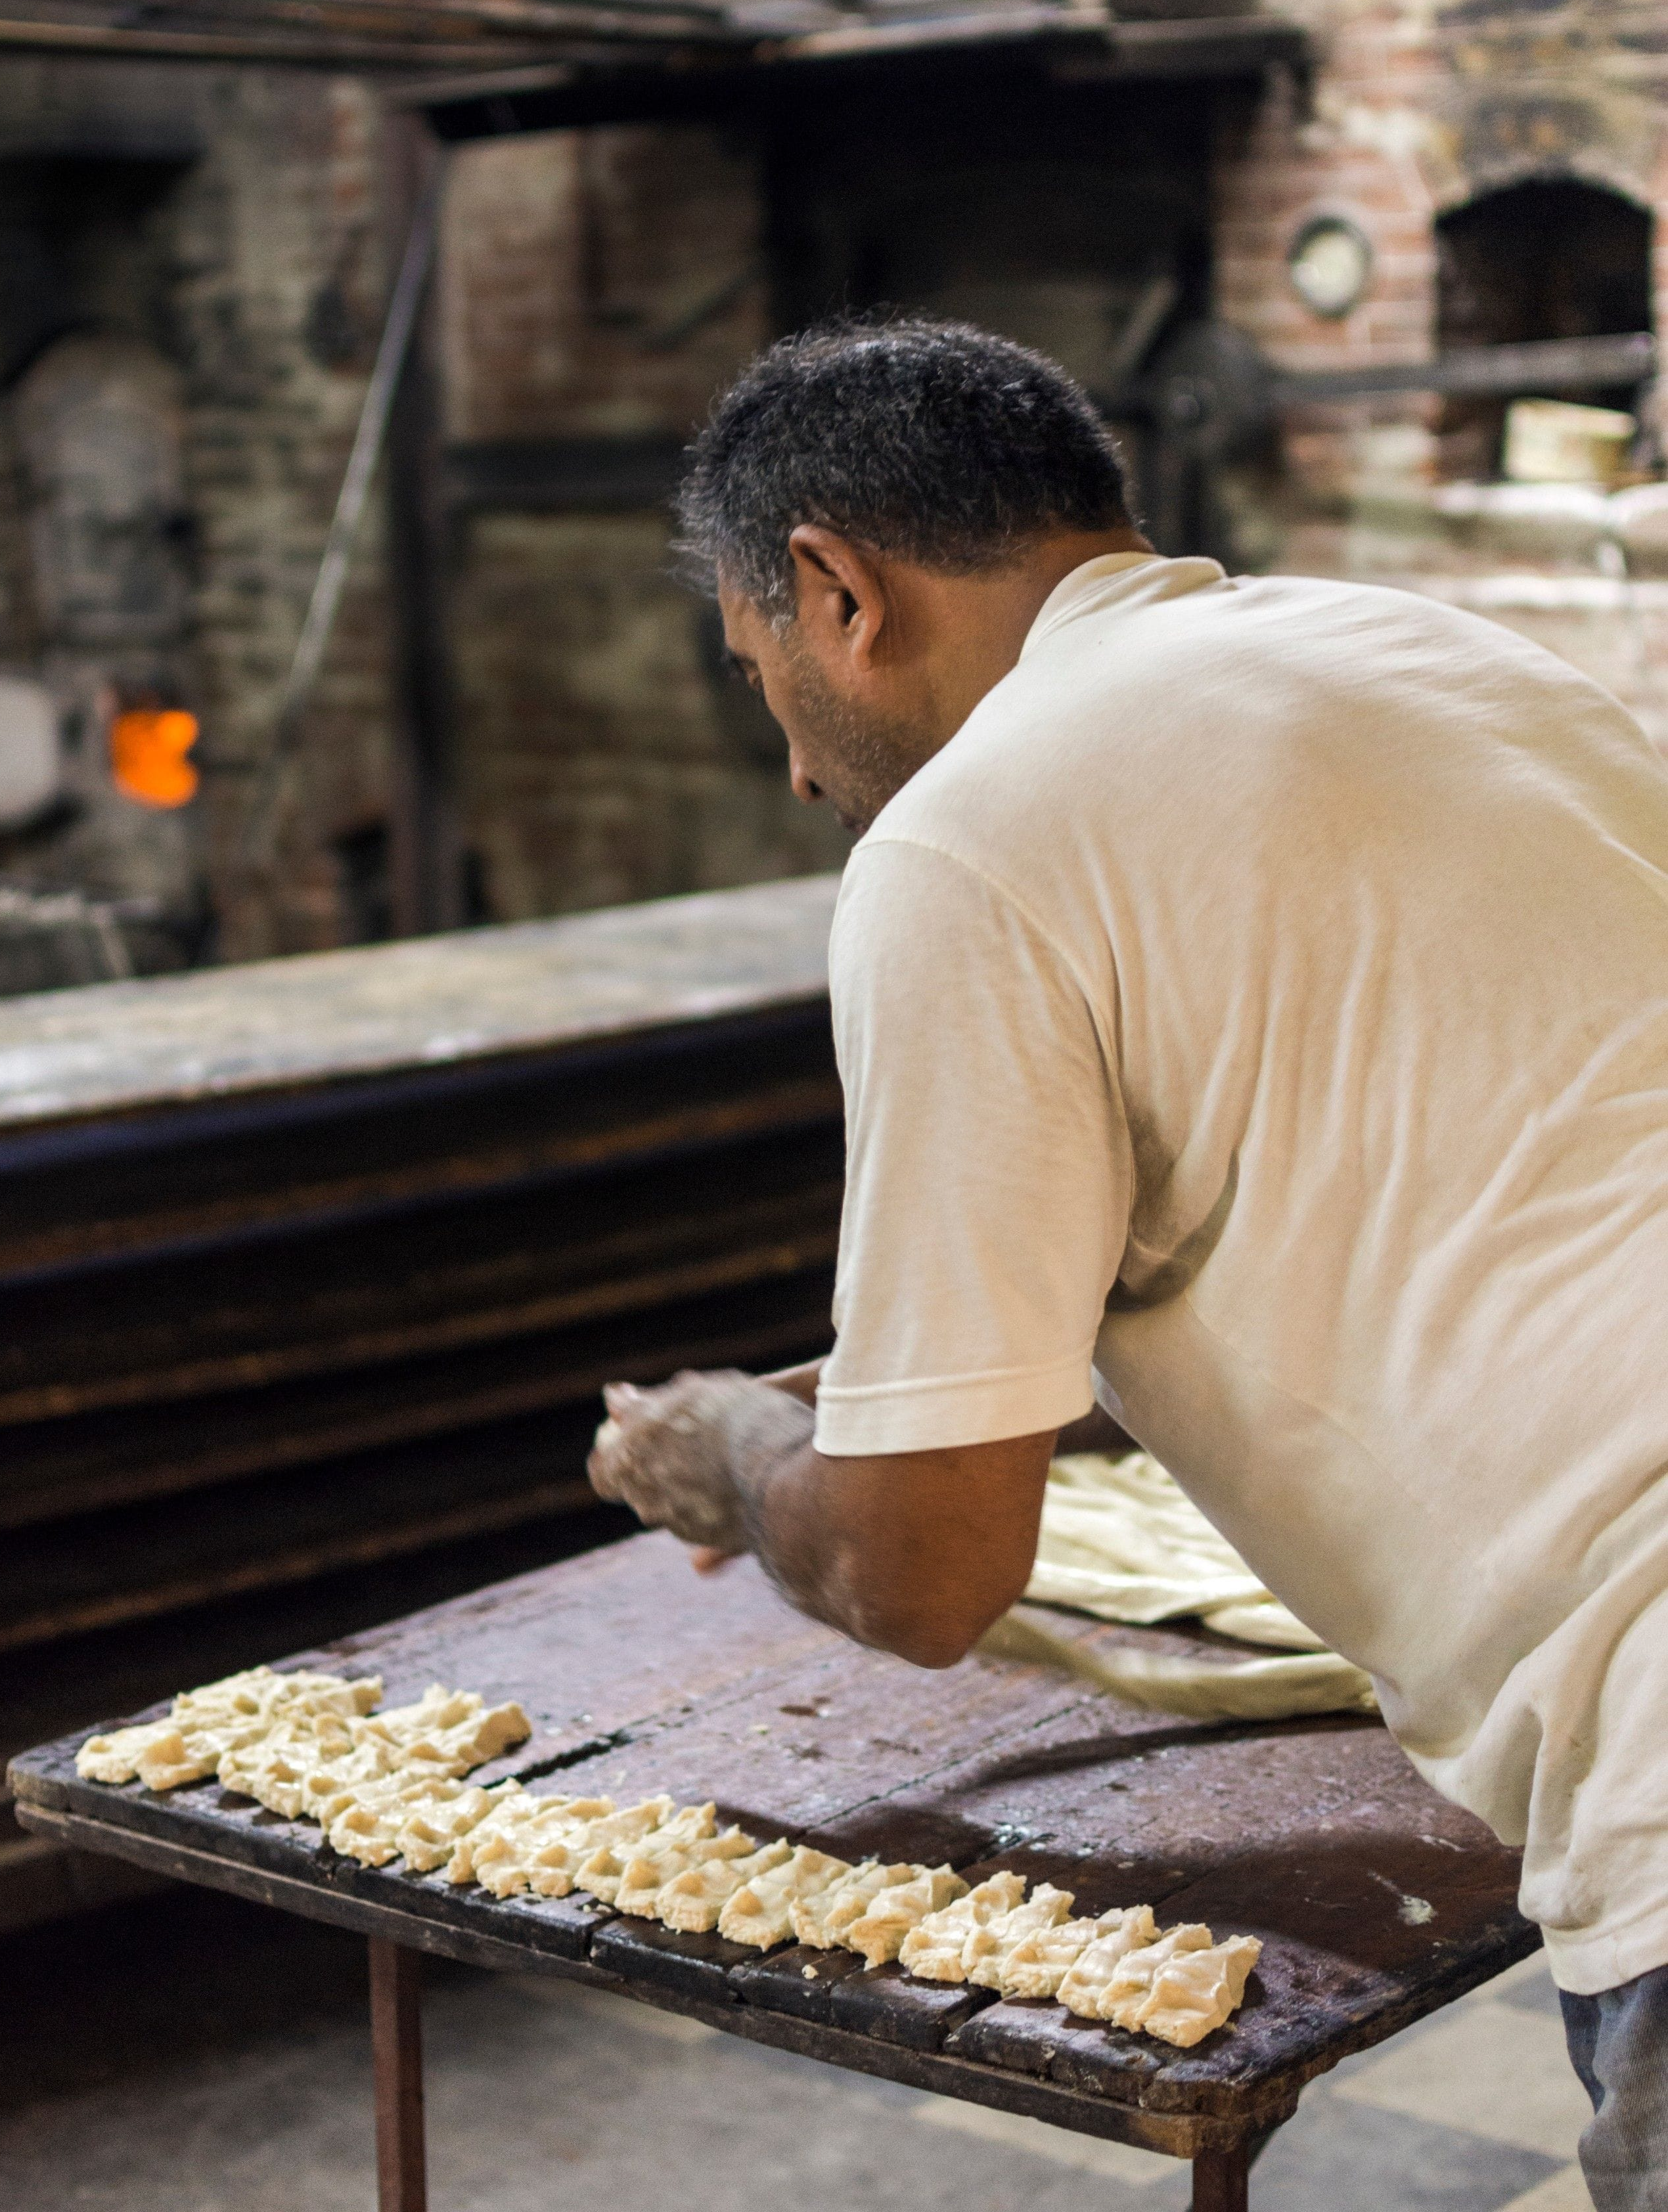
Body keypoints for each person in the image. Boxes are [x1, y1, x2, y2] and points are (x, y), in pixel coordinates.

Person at [587, 316, 1668, 2209]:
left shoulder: (969, 844)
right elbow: (1477, 1159)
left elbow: (928, 1571)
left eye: (765, 674)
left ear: (837, 588)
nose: (792, 767)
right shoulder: (1446, 660)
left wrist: (736, 1460)